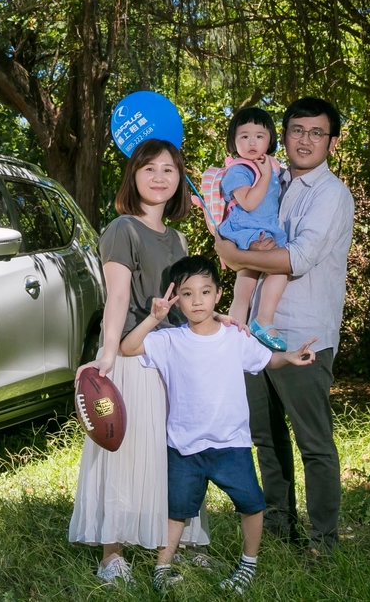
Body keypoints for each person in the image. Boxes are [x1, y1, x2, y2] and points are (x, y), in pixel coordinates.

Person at [119, 255, 318, 593]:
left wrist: (288, 356)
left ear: (219, 294)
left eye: (205, 292)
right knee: (177, 511)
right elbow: (128, 347)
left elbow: (266, 359)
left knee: (251, 504)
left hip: (231, 444)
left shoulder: (234, 337)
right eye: (187, 294)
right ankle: (162, 568)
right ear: (177, 299)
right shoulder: (170, 340)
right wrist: (154, 318)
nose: (197, 301)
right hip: (185, 447)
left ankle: (248, 565)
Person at [214, 97, 354, 552]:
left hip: (303, 335)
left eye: (317, 132)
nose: (305, 140)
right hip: (254, 335)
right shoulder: (271, 178)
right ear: (284, 135)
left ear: (331, 141)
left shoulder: (330, 193)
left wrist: (234, 254)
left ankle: (323, 543)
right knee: (267, 439)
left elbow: (299, 257)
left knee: (313, 443)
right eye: (297, 130)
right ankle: (277, 528)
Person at [69, 138, 209, 584]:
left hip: (173, 360)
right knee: (126, 453)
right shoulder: (122, 229)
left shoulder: (179, 238)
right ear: (133, 176)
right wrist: (107, 355)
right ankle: (112, 555)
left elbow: (189, 303)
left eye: (169, 169)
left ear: (179, 179)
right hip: (134, 355)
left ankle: (174, 544)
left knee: (173, 455)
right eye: (149, 169)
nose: (159, 177)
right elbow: (117, 297)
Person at [217, 107, 289, 351]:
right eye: (244, 136)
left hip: (263, 228)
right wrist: (266, 175)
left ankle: (235, 332)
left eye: (259, 136)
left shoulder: (272, 166)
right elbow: (248, 203)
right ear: (233, 140)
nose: (252, 142)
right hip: (246, 229)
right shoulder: (239, 169)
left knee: (245, 284)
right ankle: (263, 321)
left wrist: (269, 171)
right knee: (279, 269)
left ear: (270, 140)